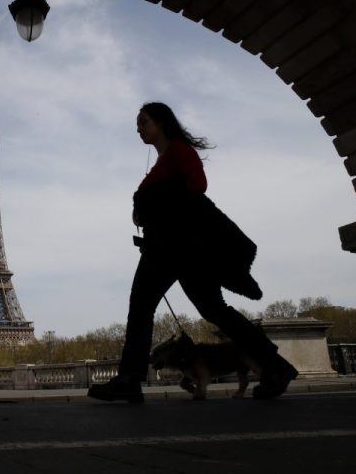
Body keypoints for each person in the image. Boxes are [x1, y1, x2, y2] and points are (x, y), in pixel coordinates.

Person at [88, 102, 298, 403]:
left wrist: (153, 205)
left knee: (143, 306)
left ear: (161, 122)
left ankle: (130, 379)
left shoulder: (178, 151)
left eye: (143, 122)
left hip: (172, 245)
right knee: (213, 310)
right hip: (179, 247)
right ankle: (276, 366)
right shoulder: (166, 158)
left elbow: (197, 186)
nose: (138, 128)